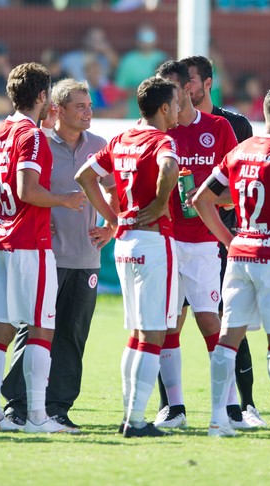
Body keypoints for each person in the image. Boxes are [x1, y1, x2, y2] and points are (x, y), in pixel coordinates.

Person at [193, 83, 270, 440]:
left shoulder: (240, 149)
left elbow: (202, 199)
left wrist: (229, 239)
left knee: (227, 340)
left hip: (240, 254)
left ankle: (218, 421)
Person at [0, 78, 118, 430]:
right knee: (33, 330)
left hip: (86, 258)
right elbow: (9, 187)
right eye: (80, 106)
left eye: (90, 106)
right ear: (58, 109)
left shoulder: (99, 145)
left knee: (72, 335)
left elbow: (115, 191)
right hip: (45, 254)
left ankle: (58, 409)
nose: (88, 113)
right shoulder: (39, 143)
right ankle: (17, 405)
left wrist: (113, 226)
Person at [0, 62, 86, 434]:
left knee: (0, 330)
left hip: (2, 241)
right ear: (43, 96)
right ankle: (37, 416)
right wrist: (64, 201)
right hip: (29, 244)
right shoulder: (33, 136)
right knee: (41, 328)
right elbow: (27, 190)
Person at [75, 76, 180, 438]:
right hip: (152, 242)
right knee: (153, 334)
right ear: (164, 108)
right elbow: (169, 168)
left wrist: (115, 216)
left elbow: (85, 176)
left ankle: (130, 415)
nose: (180, 109)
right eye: (177, 103)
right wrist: (163, 202)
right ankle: (135, 420)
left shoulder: (121, 139)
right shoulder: (161, 140)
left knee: (137, 334)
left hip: (124, 242)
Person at [151, 60, 244, 430]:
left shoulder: (219, 128)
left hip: (205, 242)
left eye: (177, 88)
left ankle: (230, 407)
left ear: (188, 89)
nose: (174, 96)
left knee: (211, 321)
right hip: (166, 240)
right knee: (169, 323)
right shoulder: (159, 134)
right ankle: (175, 408)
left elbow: (236, 187)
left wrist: (206, 201)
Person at [181, 55, 265, 427]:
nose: (187, 87)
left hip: (224, 239)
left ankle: (245, 404)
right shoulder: (166, 122)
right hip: (180, 239)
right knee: (172, 322)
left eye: (193, 80)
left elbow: (245, 178)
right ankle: (172, 406)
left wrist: (222, 204)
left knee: (230, 321)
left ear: (208, 82)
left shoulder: (235, 124)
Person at [115, 24, 167, 119]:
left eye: (149, 36)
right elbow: (119, 90)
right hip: (131, 117)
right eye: (143, 36)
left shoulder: (163, 58)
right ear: (137, 40)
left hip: (157, 119)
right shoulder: (128, 60)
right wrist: (144, 91)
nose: (146, 40)